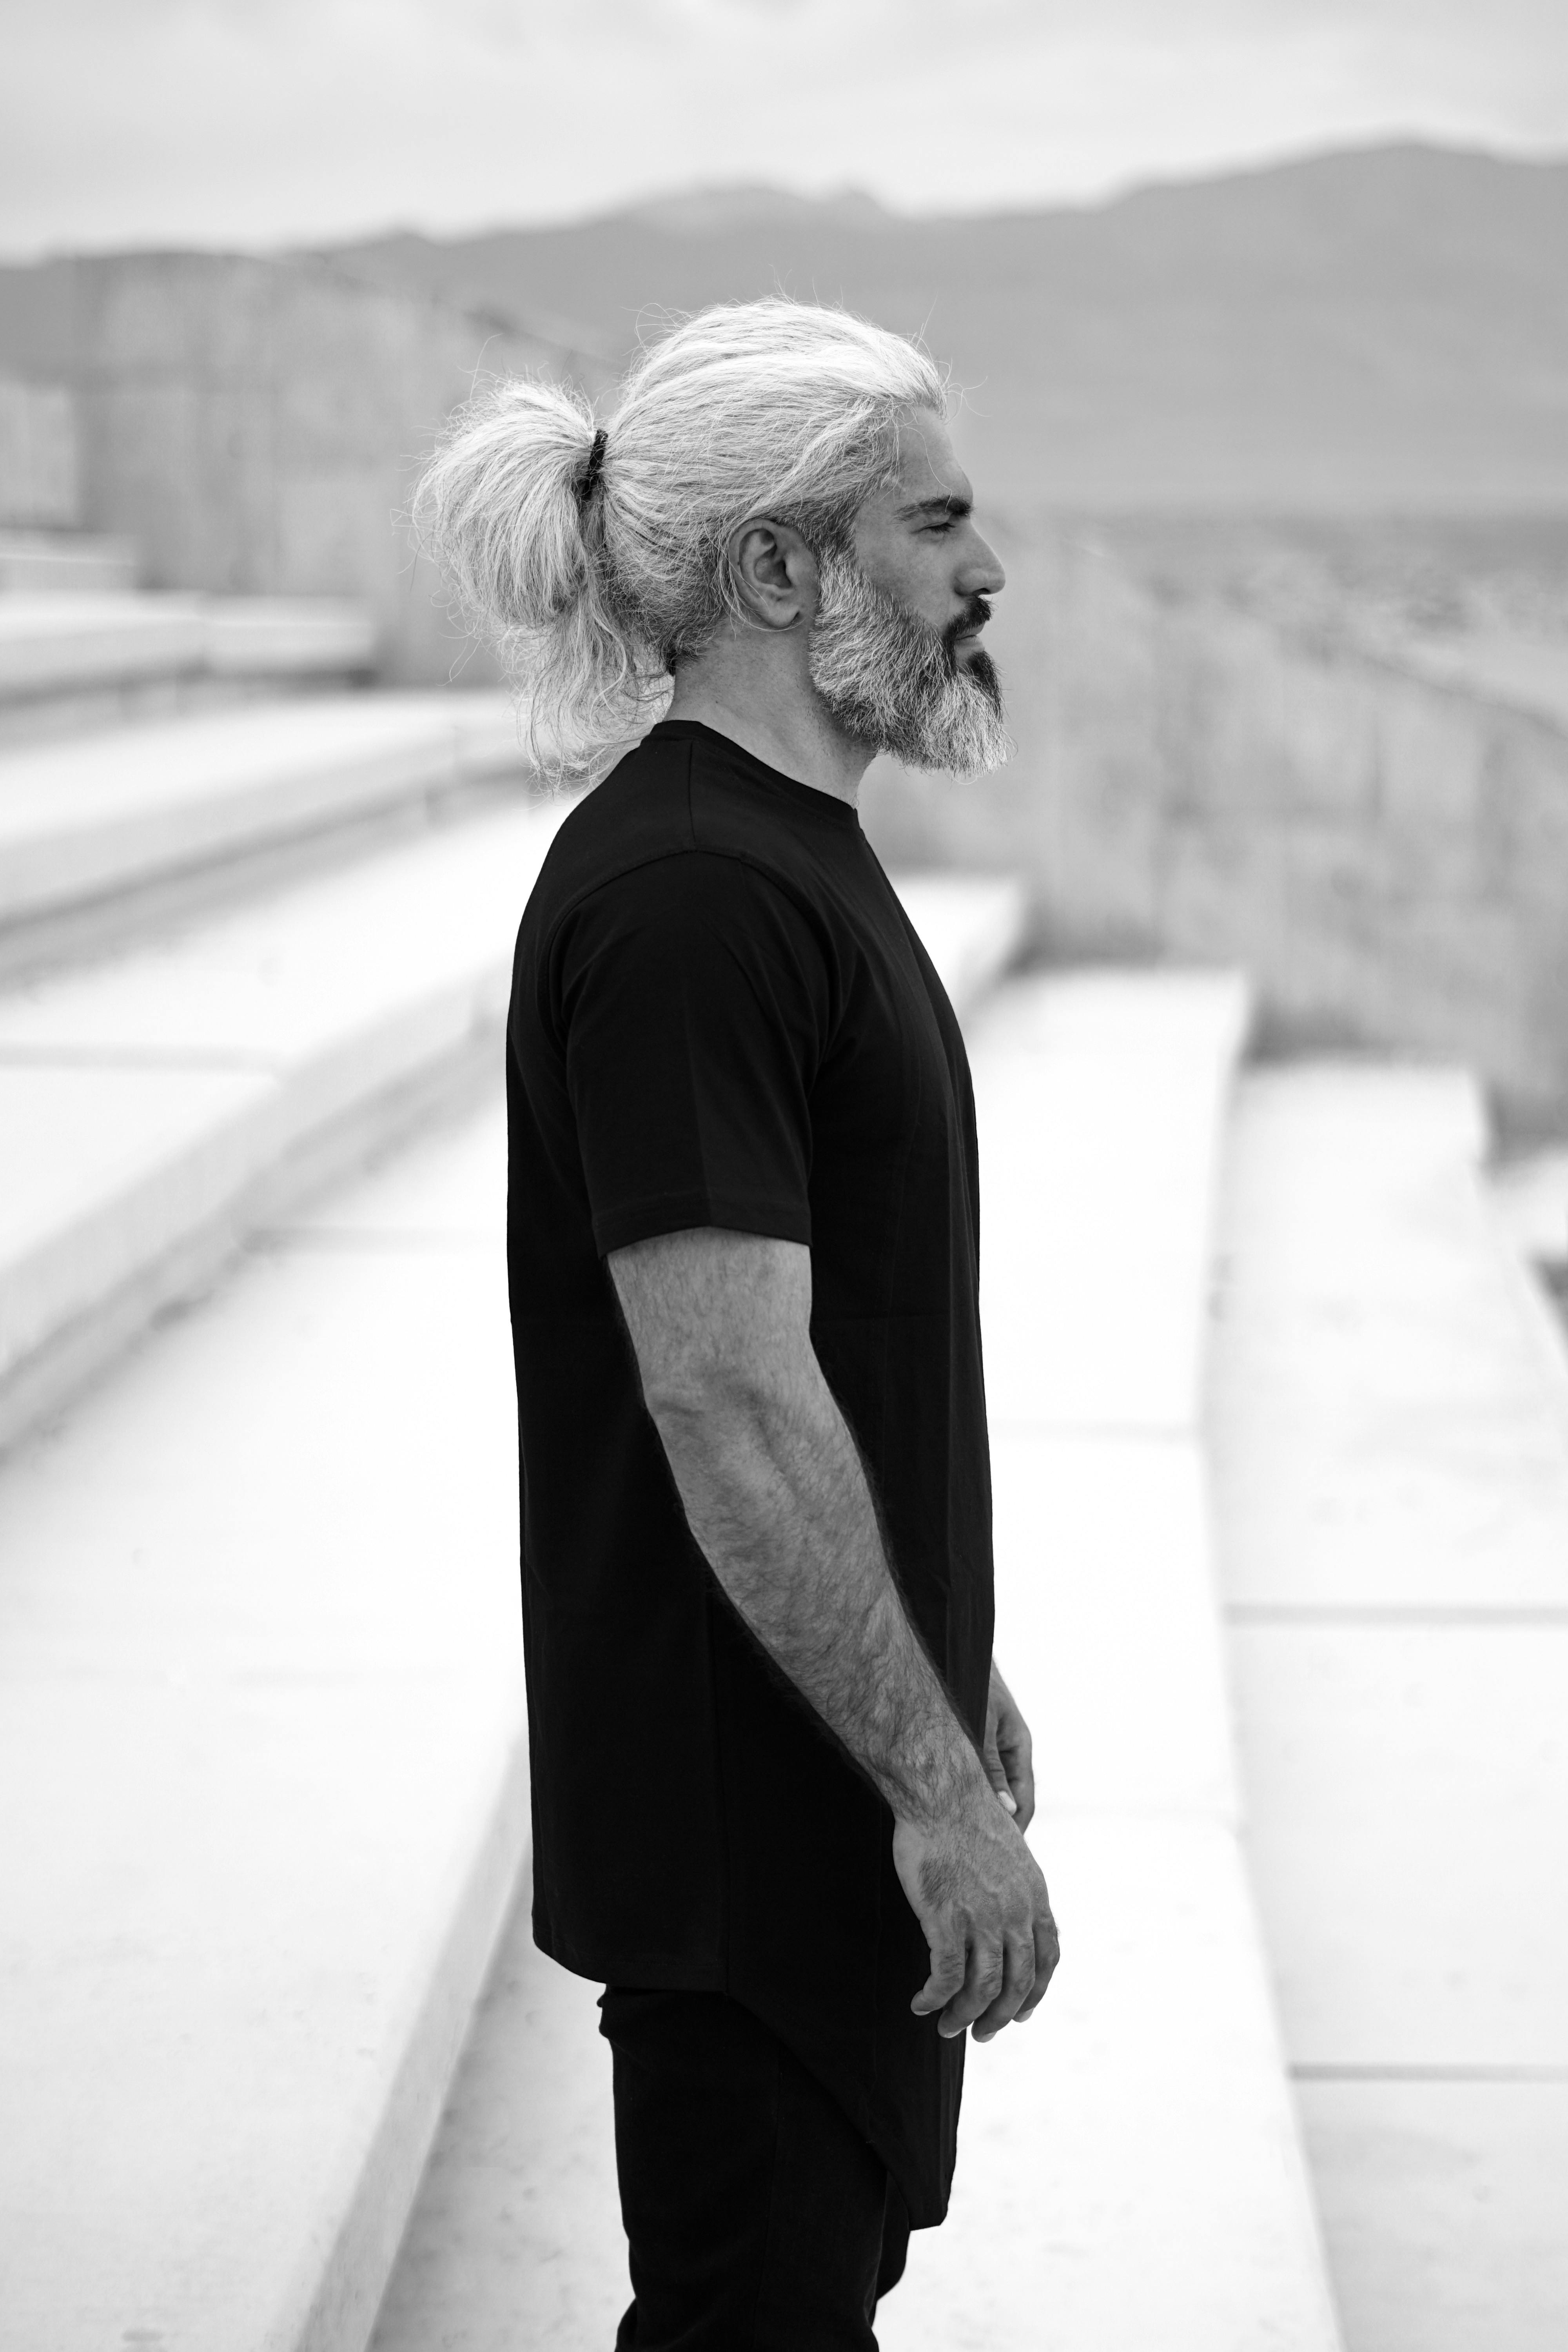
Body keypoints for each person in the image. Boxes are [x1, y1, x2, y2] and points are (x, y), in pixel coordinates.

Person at [415, 298, 1059, 2350]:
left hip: (798, 1809)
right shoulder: (693, 900)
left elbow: (825, 1359)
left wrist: (948, 1658)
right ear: (781, 568)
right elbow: (725, 1394)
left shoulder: (774, 864)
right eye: (935, 521)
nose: (985, 574)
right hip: (750, 1850)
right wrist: (933, 1789)